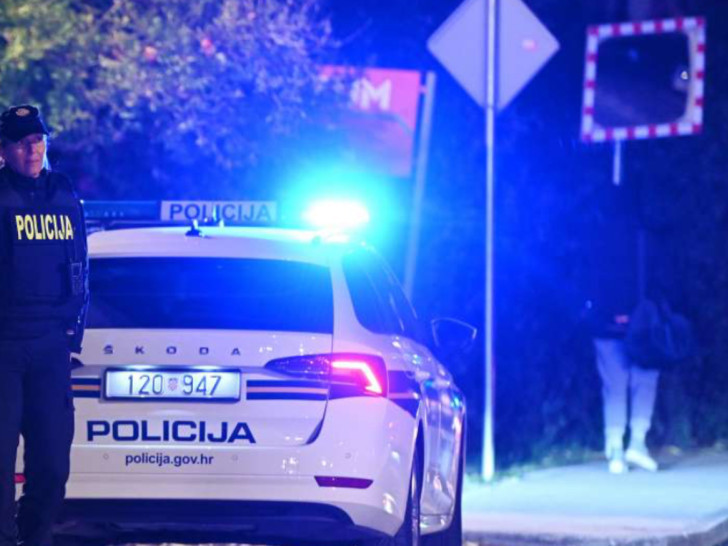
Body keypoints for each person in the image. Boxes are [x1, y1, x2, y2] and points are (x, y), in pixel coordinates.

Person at [0, 105, 88, 546]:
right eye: (21, 142)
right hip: (4, 346)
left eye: (38, 140)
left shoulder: (63, 192)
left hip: (51, 345)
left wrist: (75, 332)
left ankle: (33, 538)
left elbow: (81, 264)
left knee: (52, 466)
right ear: (3, 150)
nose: (32, 150)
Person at [586, 181, 660, 475]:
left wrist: (612, 313)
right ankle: (636, 443)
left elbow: (592, 280)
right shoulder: (644, 237)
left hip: (606, 324)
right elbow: (655, 280)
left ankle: (616, 447)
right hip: (643, 324)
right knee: (645, 380)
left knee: (614, 384)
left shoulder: (598, 238)